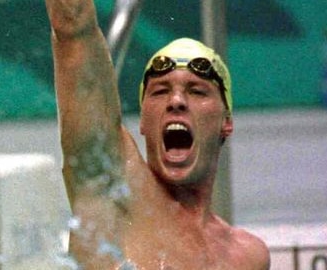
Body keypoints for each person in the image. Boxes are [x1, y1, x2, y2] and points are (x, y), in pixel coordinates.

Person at [45, 1, 270, 269]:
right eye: (160, 91)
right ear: (143, 120)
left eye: (197, 91)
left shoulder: (248, 258)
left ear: (226, 122)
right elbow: (73, 24)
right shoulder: (112, 192)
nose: (176, 100)